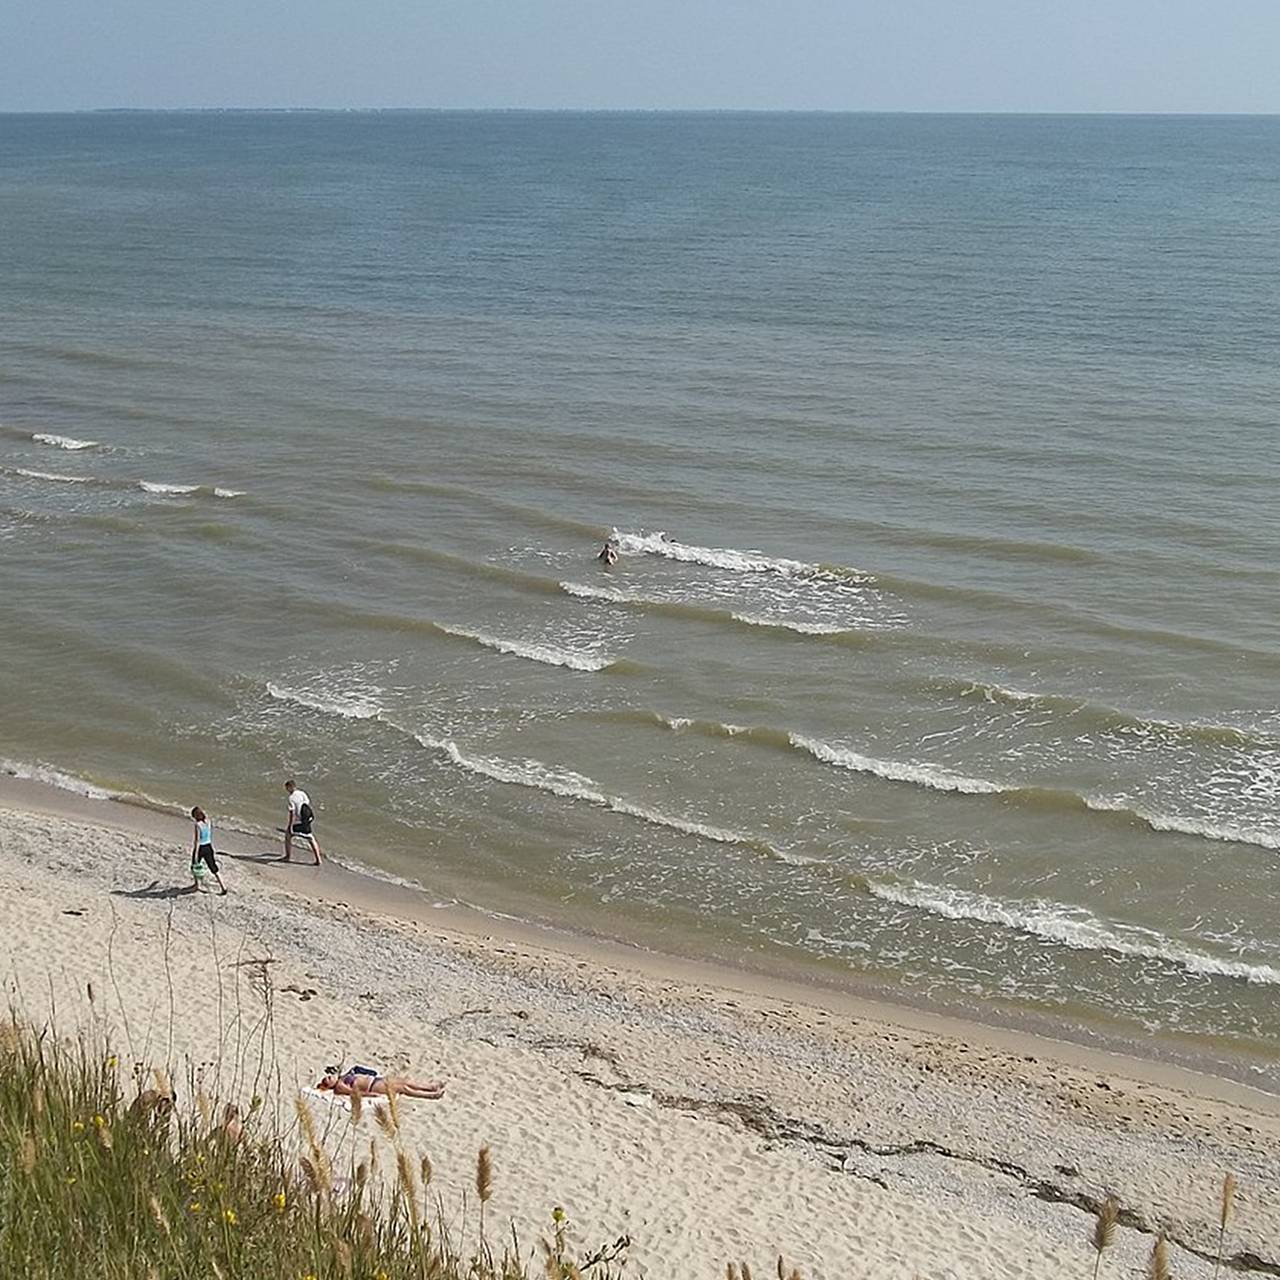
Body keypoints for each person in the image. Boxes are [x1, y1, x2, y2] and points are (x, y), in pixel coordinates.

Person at [316, 1069, 445, 1100]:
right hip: (373, 1087)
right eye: (327, 1080)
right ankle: (430, 1095)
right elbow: (354, 1093)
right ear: (329, 1086)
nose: (328, 1077)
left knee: (406, 1081)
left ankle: (430, 1086)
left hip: (376, 1079)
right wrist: (371, 1095)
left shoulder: (343, 1076)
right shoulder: (339, 1087)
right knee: (403, 1088)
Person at [283, 779, 323, 865]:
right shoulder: (302, 793)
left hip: (298, 822)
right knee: (311, 839)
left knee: (288, 835)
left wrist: (290, 826)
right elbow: (306, 804)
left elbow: (292, 813)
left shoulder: (291, 798)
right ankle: (318, 859)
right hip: (306, 820)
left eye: (287, 788)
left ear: (289, 787)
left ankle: (287, 856)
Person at [189, 806, 228, 895]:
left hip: (201, 848)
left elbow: (197, 840)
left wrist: (195, 852)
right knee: (213, 867)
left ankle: (196, 885)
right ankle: (223, 887)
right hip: (209, 846)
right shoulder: (208, 822)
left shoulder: (197, 825)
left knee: (194, 866)